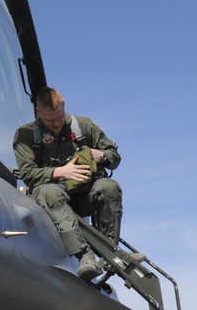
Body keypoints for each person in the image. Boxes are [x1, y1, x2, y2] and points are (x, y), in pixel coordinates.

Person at [13, 87, 122, 281]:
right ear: (39, 112)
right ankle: (84, 255)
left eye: (59, 117)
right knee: (53, 193)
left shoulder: (84, 126)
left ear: (64, 105)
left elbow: (115, 157)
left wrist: (102, 155)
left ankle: (109, 252)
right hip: (50, 197)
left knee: (109, 187)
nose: (56, 124)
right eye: (50, 120)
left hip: (83, 195)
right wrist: (59, 172)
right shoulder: (26, 135)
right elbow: (28, 174)